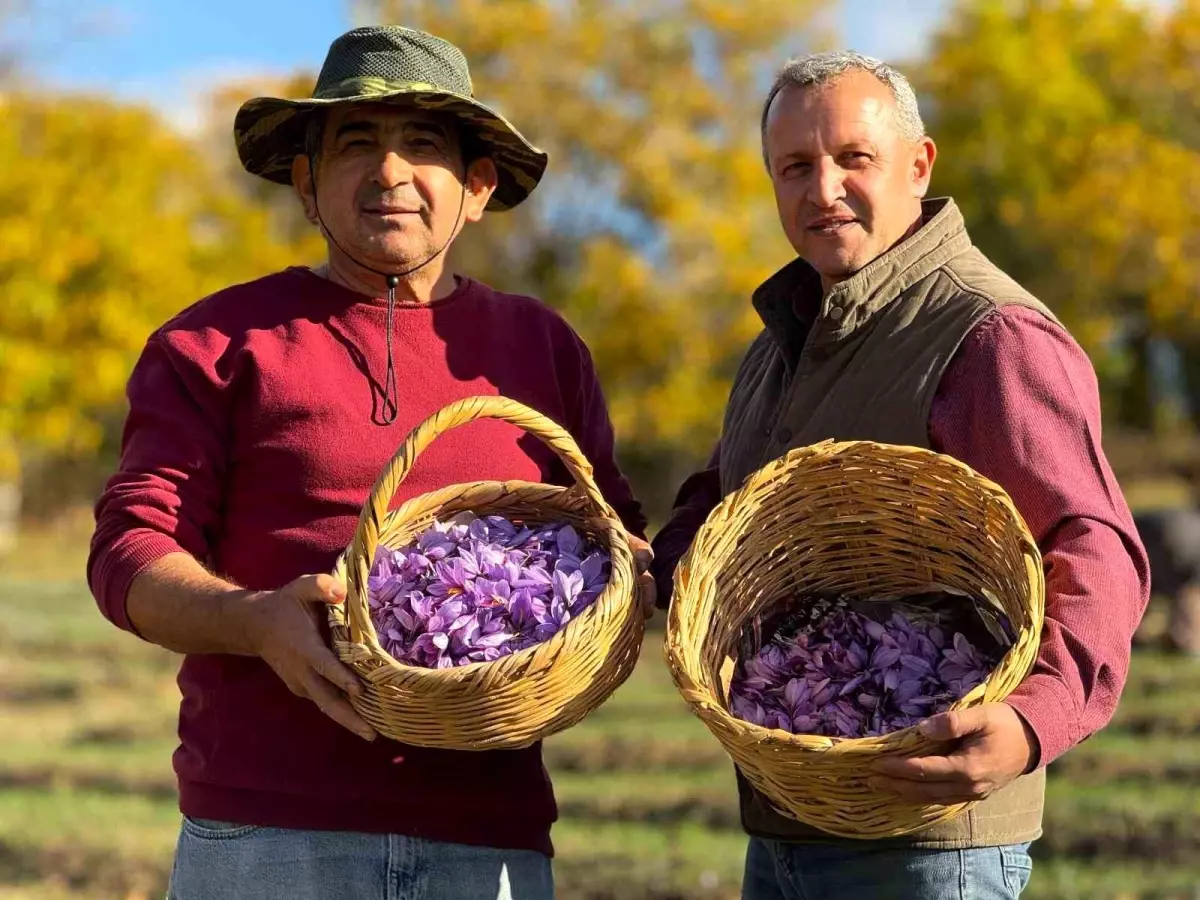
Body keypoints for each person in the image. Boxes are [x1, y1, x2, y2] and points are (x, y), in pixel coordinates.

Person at [88, 25, 652, 900]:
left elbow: (613, 540)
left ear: (476, 187)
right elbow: (127, 553)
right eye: (356, 144)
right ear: (307, 186)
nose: (389, 171)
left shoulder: (540, 350)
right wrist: (255, 620)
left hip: (489, 836)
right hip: (267, 834)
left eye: (423, 145)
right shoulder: (215, 343)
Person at [651, 51, 1149, 900]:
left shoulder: (989, 333)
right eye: (795, 167)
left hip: (929, 839)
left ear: (918, 166)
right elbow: (724, 508)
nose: (823, 190)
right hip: (785, 820)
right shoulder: (779, 346)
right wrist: (634, 568)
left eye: (854, 158)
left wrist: (1032, 722)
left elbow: (1092, 542)